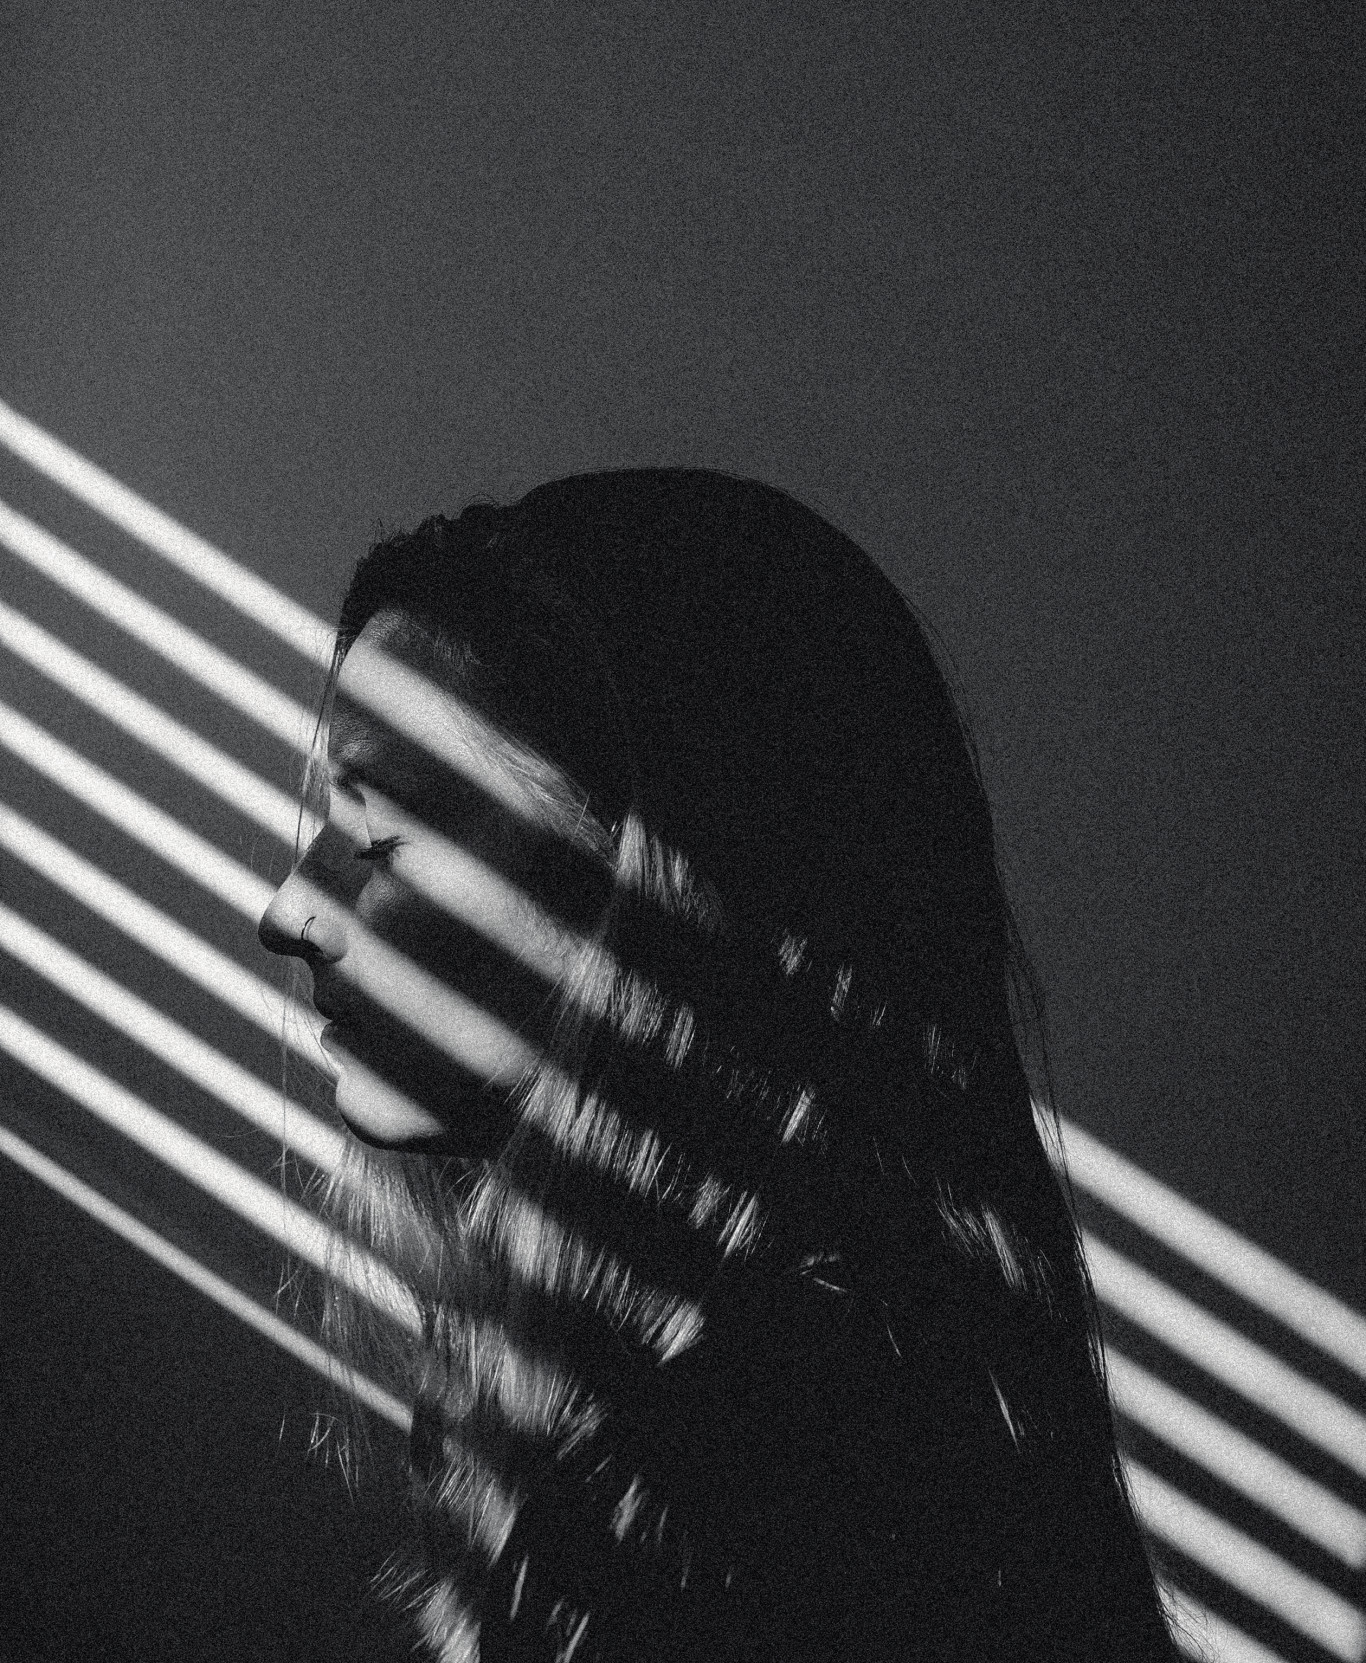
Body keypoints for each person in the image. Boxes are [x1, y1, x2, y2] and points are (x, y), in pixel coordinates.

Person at [259, 470, 1179, 1662]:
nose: (289, 910)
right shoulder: (754, 1403)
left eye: (380, 834)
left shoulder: (766, 1484)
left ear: (666, 884)